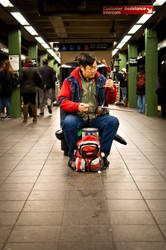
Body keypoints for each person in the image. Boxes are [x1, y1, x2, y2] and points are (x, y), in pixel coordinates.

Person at [57, 53, 119, 169]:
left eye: (95, 67)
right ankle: (73, 156)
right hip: (78, 116)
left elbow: (111, 100)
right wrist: (76, 106)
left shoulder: (101, 79)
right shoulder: (70, 81)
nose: (94, 71)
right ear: (81, 68)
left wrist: (112, 89)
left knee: (113, 122)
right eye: (90, 68)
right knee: (69, 122)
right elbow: (62, 101)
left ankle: (103, 155)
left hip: (96, 117)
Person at [19, 56, 42, 123]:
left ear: (25, 61)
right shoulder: (35, 69)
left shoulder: (22, 69)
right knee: (33, 103)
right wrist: (36, 84)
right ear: (31, 62)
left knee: (25, 104)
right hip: (33, 89)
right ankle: (34, 118)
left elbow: (20, 79)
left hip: (24, 89)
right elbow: (39, 79)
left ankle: (25, 119)